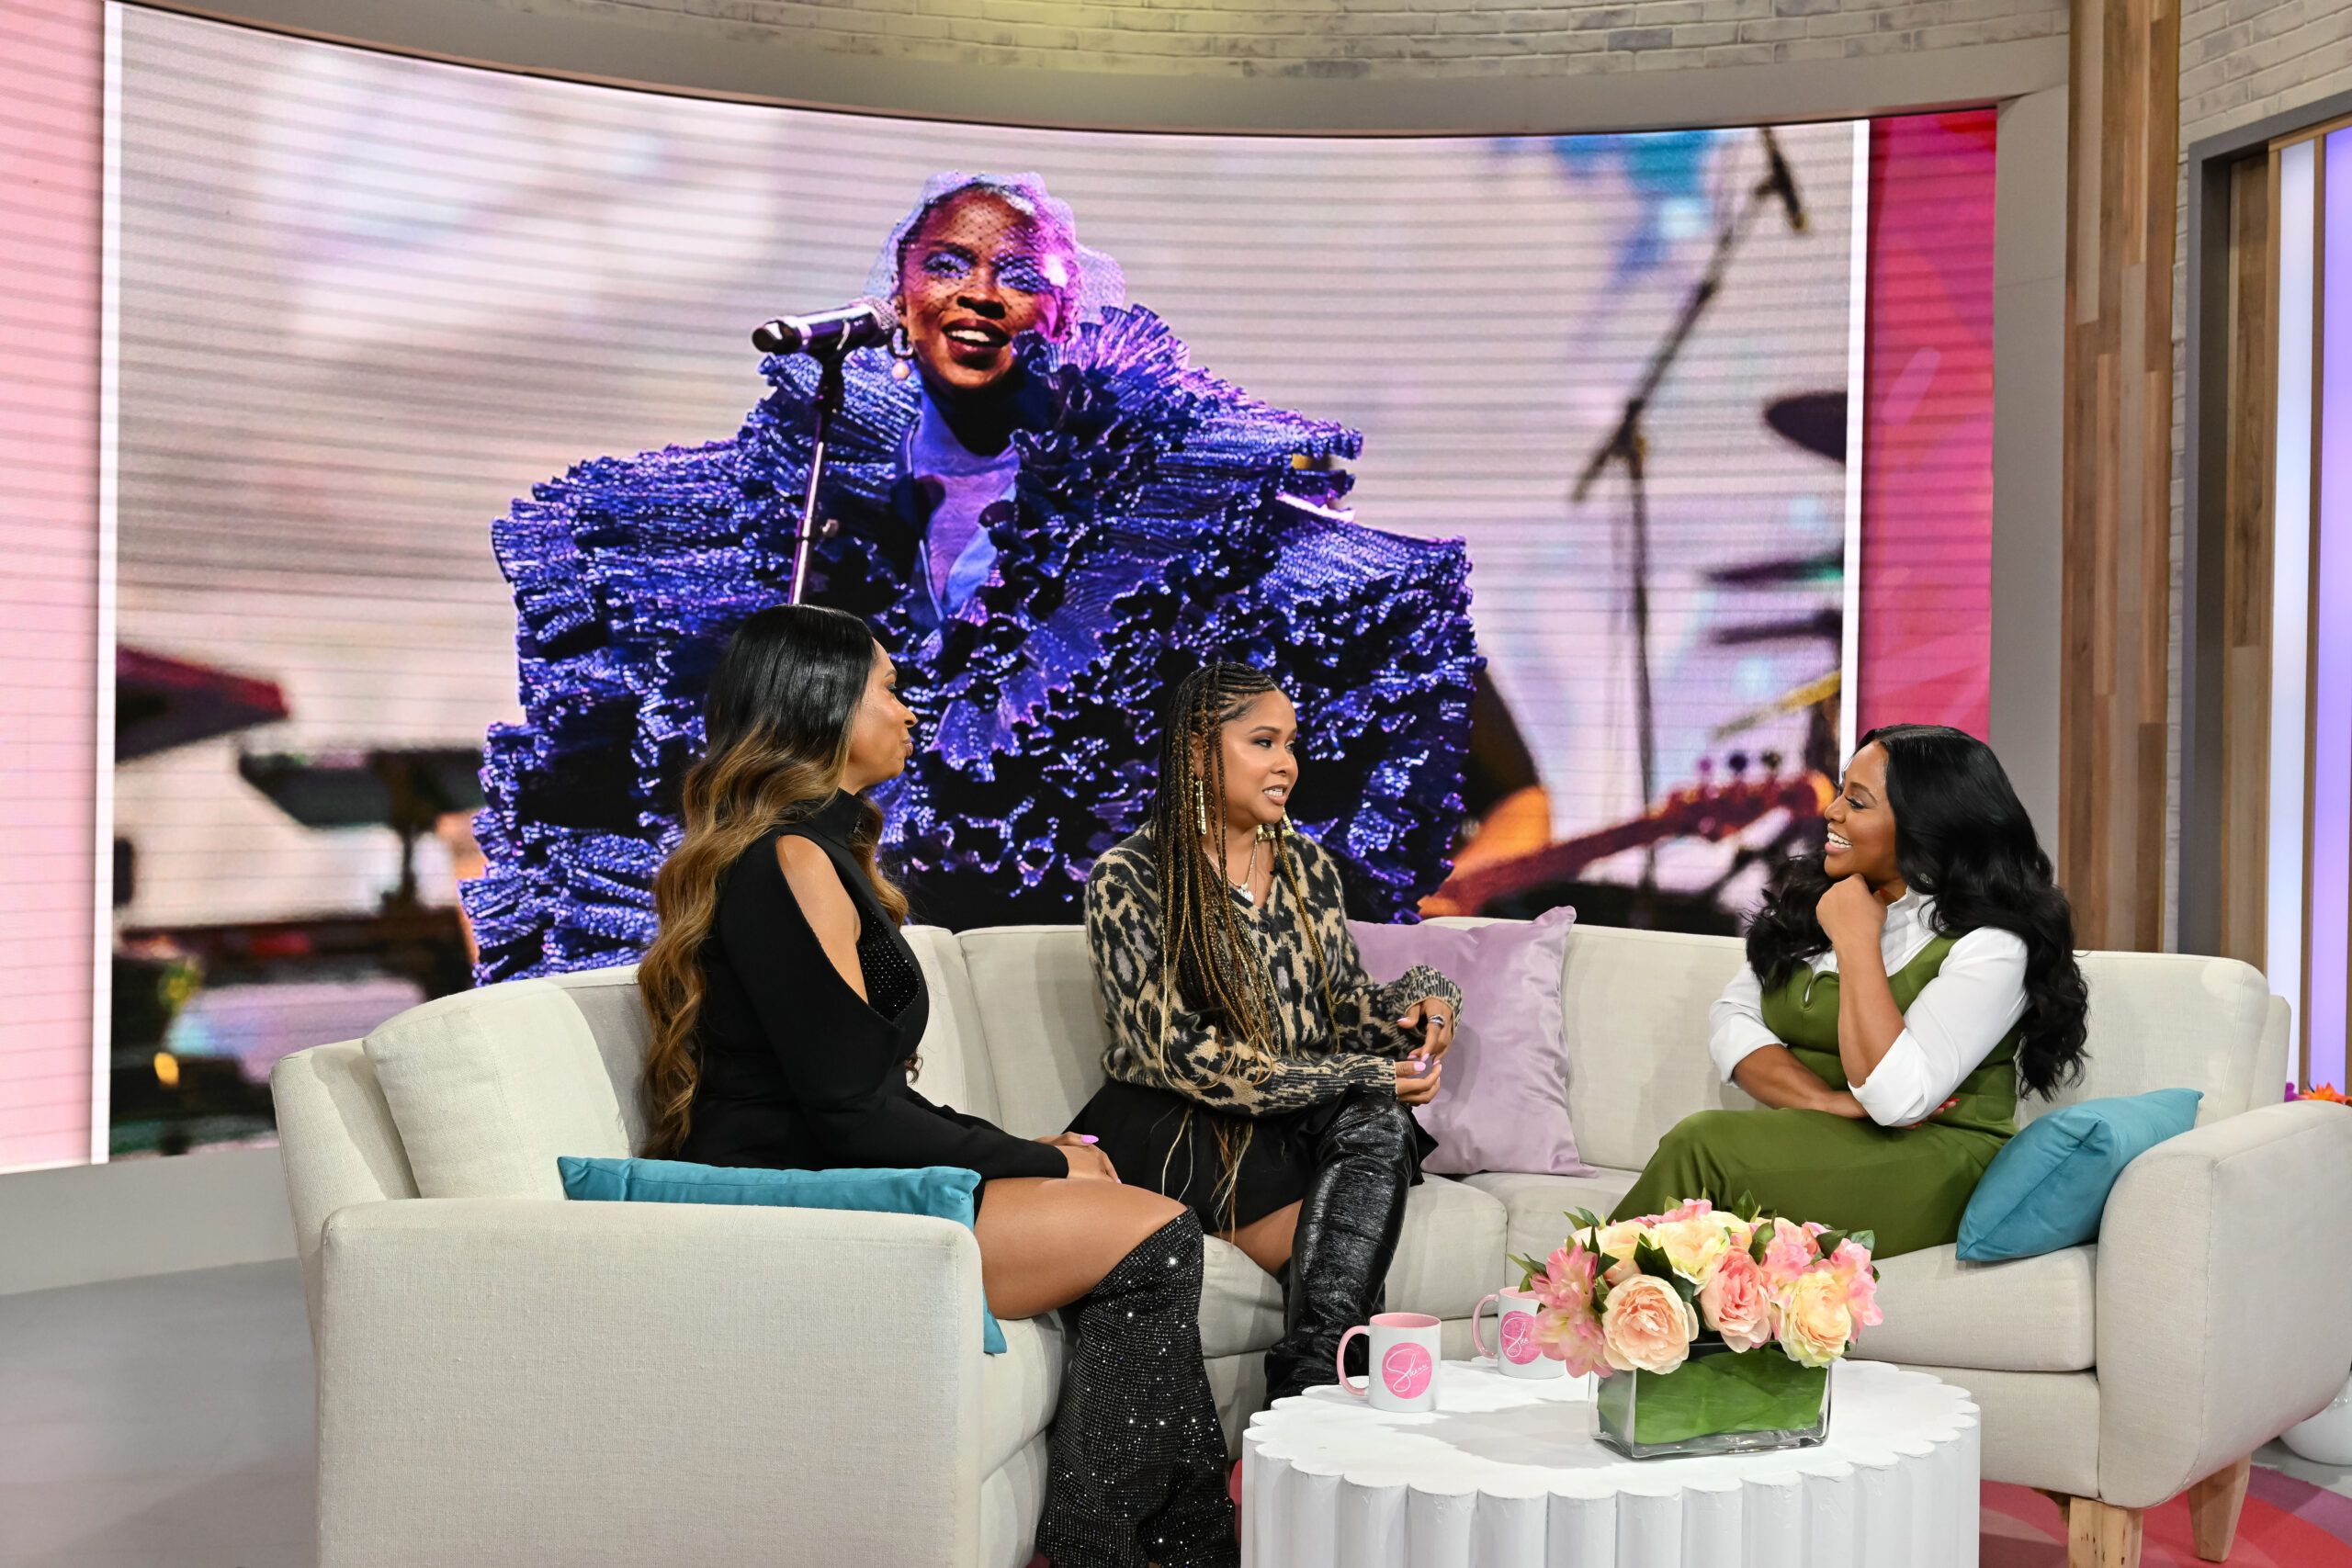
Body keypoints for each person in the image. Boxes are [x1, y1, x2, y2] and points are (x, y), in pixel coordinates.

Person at [469, 170, 1479, 979]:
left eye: (1020, 275)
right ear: (900, 298)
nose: (981, 295)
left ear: (1063, 312)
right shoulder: (813, 478)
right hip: (863, 903)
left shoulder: (1146, 485)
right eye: (948, 264)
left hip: (1065, 933)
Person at [635, 604, 1235, 1568]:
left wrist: (1040, 1156)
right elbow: (850, 1113)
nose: (909, 710)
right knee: (1152, 1235)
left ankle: (1157, 1546)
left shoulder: (809, 854)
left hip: (832, 1169)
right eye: (889, 687)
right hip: (801, 1197)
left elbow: (861, 1092)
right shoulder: (788, 861)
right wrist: (1042, 1160)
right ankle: (1116, 1550)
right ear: (823, 703)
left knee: (1135, 1211)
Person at [1071, 661, 1464, 1404]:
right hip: (1183, 1116)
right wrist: (1363, 1075)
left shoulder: (1306, 863)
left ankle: (1311, 1379)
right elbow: (1184, 1056)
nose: (1286, 763)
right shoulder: (1130, 875)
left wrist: (1423, 1002)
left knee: (1380, 1121)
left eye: (1291, 743)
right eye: (1263, 741)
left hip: (1291, 1108)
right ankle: (1324, 1391)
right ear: (1197, 750)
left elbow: (1341, 1005)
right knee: (1349, 1214)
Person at [1611, 724, 2091, 1257]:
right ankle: (1608, 1300)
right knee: (1706, 1208)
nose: (1831, 811)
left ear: (1927, 825)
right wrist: (1825, 1102)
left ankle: (1575, 1296)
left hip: (1936, 1161)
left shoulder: (1992, 943)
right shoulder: (1819, 898)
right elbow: (1733, 1019)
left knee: (1702, 1146)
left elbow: (1897, 1099)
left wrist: (1857, 940)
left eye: (1857, 802)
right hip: (1824, 1135)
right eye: (1841, 792)